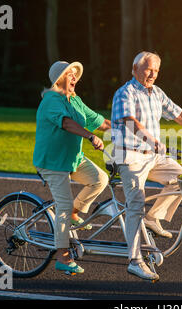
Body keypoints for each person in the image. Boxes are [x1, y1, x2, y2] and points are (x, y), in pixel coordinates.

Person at [111, 51, 182, 281]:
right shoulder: (124, 93)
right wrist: (153, 140)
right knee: (135, 203)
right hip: (130, 155)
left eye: (156, 71)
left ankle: (153, 217)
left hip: (153, 155)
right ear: (135, 69)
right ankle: (135, 260)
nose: (152, 74)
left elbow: (178, 114)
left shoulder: (157, 93)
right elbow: (130, 122)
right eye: (148, 69)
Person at [33, 60, 111, 275]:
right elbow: (66, 123)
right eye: (70, 74)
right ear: (59, 78)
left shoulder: (75, 100)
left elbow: (99, 121)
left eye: (76, 74)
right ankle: (63, 257)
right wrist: (89, 135)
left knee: (100, 179)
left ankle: (76, 211)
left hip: (72, 159)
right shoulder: (51, 100)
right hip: (52, 162)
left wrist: (127, 128)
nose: (75, 77)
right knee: (63, 207)